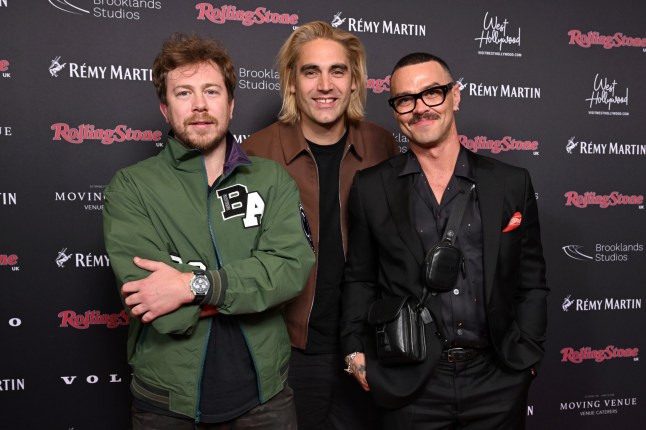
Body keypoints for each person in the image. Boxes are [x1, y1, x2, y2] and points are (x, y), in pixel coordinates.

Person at [103, 33, 315, 429]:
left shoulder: (271, 180)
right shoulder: (131, 188)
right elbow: (157, 307)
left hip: (265, 399)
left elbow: (288, 272)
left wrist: (190, 285)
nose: (199, 105)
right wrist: (251, 288)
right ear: (165, 109)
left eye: (211, 91)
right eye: (183, 93)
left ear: (231, 105)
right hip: (168, 403)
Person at [341, 52, 548, 429]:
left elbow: (530, 279)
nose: (420, 108)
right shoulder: (371, 188)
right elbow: (360, 278)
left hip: (497, 378)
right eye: (406, 99)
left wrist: (527, 355)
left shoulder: (510, 182)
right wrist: (354, 350)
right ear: (395, 110)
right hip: (409, 382)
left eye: (432, 93)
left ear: (455, 96)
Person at [242, 21, 398, 429]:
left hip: (366, 346)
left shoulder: (382, 145)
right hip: (288, 349)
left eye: (337, 71)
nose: (325, 85)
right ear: (292, 82)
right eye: (311, 71)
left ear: (355, 81)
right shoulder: (257, 152)